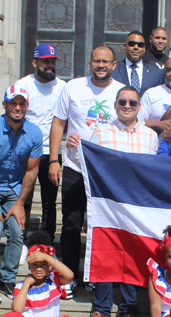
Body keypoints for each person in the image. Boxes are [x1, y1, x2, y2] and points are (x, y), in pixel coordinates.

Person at [67, 86, 158, 317]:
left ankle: (129, 312)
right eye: (122, 102)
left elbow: (154, 171)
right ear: (115, 105)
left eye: (132, 102)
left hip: (136, 206)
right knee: (106, 254)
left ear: (139, 106)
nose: (127, 106)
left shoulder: (150, 136)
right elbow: (82, 162)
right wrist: (74, 147)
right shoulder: (101, 131)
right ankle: (102, 311)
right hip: (107, 205)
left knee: (132, 257)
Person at [49, 46, 125, 298]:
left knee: (101, 226)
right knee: (70, 223)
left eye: (106, 61)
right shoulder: (72, 87)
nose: (101, 65)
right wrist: (53, 159)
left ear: (114, 65)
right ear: (90, 63)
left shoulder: (121, 92)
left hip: (106, 171)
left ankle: (96, 277)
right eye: (97, 61)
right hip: (75, 167)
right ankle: (69, 275)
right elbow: (59, 122)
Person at [0, 86, 42, 303]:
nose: (17, 108)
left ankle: (7, 279)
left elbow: (32, 170)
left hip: (13, 187)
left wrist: (20, 202)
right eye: (13, 103)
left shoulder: (34, 132)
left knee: (17, 229)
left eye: (22, 103)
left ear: (27, 106)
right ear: (4, 105)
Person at [13, 44, 66, 266]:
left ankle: (47, 243)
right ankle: (21, 243)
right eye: (45, 61)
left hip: (52, 153)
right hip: (26, 154)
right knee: (23, 199)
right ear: (35, 62)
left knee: (49, 202)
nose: (50, 65)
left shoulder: (63, 87)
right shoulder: (22, 85)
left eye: (52, 61)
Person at [112, 31, 164, 97]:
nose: (136, 47)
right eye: (132, 44)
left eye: (140, 45)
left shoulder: (156, 74)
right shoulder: (113, 70)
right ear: (125, 46)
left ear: (144, 48)